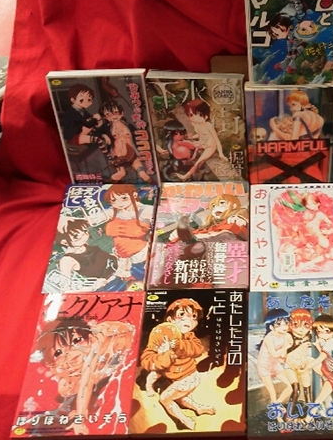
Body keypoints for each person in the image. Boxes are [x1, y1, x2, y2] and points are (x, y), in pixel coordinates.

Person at [36, 316, 135, 436]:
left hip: (120, 343)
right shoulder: (64, 363)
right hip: (102, 363)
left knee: (83, 380)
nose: (71, 353)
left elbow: (87, 382)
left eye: (76, 341)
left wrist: (80, 417)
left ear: (90, 337)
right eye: (59, 352)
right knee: (65, 389)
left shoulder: (97, 340)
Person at [140, 298, 215, 430]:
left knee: (165, 399)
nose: (189, 320)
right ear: (170, 320)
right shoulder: (160, 335)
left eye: (194, 316)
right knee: (179, 397)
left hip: (188, 377)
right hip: (174, 376)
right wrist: (163, 355)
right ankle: (199, 408)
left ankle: (184, 420)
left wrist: (178, 346)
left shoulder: (189, 337)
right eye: (182, 315)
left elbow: (198, 349)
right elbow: (147, 358)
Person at [103, 185, 153, 288]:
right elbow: (90, 218)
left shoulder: (146, 210)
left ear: (134, 195)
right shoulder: (112, 212)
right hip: (122, 258)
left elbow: (165, 222)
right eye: (113, 200)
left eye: (124, 198)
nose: (119, 203)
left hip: (141, 256)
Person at [54, 218, 119, 291]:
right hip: (110, 286)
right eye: (76, 236)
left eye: (85, 231)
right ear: (64, 242)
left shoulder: (83, 245)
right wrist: (93, 287)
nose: (84, 237)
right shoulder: (67, 260)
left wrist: (114, 256)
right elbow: (65, 289)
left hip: (119, 271)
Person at [99, 98, 152, 182]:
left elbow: (139, 135)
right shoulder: (106, 127)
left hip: (131, 153)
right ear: (105, 117)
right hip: (117, 156)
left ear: (121, 113)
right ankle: (106, 185)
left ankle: (154, 186)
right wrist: (104, 135)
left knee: (142, 173)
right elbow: (95, 133)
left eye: (116, 112)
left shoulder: (128, 126)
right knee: (121, 173)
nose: (113, 116)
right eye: (108, 114)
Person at [176, 99, 227, 181]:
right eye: (189, 115)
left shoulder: (208, 125)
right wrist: (191, 138)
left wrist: (221, 154)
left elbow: (217, 140)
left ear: (201, 114)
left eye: (192, 115)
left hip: (210, 146)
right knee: (185, 143)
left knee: (198, 162)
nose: (191, 118)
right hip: (201, 143)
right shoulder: (196, 125)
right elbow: (199, 135)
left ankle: (185, 176)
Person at [255, 308, 294, 411]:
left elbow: (282, 356)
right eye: (279, 324)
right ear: (271, 327)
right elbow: (274, 354)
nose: (284, 327)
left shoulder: (286, 336)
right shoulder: (268, 338)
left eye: (286, 323)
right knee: (272, 393)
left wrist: (286, 354)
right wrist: (286, 347)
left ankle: (277, 404)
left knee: (290, 387)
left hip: (275, 364)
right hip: (264, 366)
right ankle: (278, 416)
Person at [284, 309, 315, 415]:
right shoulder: (288, 336)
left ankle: (310, 414)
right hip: (290, 366)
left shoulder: (309, 335)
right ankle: (289, 414)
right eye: (296, 325)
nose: (301, 329)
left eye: (305, 325)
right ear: (290, 325)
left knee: (308, 391)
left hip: (303, 366)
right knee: (296, 390)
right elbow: (287, 353)